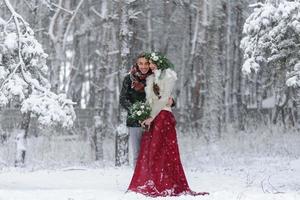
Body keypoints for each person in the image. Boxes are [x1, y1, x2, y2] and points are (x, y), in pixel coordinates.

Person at [127, 52, 209, 197]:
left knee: (164, 150)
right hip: (151, 117)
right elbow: (150, 100)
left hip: (162, 116)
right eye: (147, 63)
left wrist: (151, 117)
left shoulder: (168, 76)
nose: (149, 65)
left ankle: (167, 182)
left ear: (160, 62)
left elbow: (164, 98)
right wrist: (144, 115)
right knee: (149, 151)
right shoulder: (149, 78)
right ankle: (150, 180)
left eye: (152, 63)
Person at [119, 53, 152, 167]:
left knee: (152, 153)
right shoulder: (129, 78)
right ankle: (138, 182)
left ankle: (151, 181)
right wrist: (137, 112)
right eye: (141, 63)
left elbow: (163, 97)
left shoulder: (155, 78)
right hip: (135, 121)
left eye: (146, 63)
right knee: (137, 153)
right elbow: (123, 99)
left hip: (152, 120)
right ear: (136, 64)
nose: (143, 66)